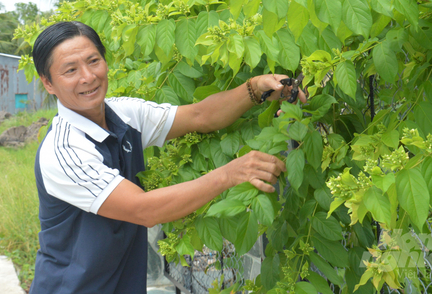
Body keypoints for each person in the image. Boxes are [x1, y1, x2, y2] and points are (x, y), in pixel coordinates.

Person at [29, 21, 305, 294]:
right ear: (48, 83)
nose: (87, 76)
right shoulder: (64, 151)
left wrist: (256, 87)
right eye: (70, 70)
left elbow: (200, 116)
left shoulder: (124, 114)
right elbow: (144, 210)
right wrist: (229, 174)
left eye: (93, 61)